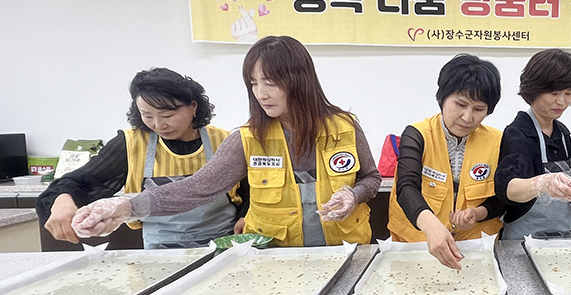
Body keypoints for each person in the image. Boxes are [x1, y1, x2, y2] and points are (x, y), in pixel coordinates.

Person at [72, 36, 379, 247]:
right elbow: (196, 188)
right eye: (254, 83)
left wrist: (353, 194)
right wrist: (126, 207)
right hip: (277, 258)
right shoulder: (247, 138)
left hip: (343, 250)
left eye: (271, 82)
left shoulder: (344, 127)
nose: (261, 93)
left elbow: (371, 177)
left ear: (300, 80)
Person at [37, 68, 246, 249]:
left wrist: (246, 216)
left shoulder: (226, 141)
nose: (158, 124)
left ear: (193, 106)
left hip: (224, 245)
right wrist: (63, 200)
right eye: (147, 116)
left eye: (167, 115)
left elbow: (250, 191)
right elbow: (78, 182)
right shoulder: (131, 144)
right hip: (159, 250)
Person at [388, 54, 504, 270]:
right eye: (460, 104)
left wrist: (478, 213)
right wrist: (431, 225)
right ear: (442, 97)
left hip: (474, 250)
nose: (467, 117)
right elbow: (406, 187)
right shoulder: (418, 134)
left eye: (479, 109)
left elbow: (502, 198)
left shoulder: (497, 141)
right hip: (418, 246)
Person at [495, 49, 571, 240]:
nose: (561, 101)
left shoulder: (562, 133)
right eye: (554, 93)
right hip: (523, 239)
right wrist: (541, 184)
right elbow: (507, 188)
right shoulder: (518, 133)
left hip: (561, 237)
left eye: (568, 93)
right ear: (534, 89)